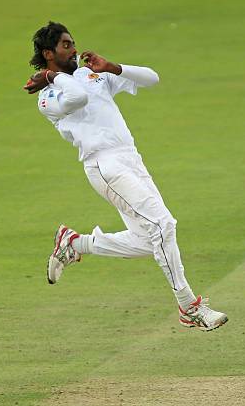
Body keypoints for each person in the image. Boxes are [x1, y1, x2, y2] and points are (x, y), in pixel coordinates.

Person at [23, 22, 227, 331]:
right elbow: (77, 98)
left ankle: (77, 244)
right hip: (104, 165)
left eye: (73, 42)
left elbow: (152, 78)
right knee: (163, 225)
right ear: (48, 53)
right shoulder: (47, 97)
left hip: (131, 159)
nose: (75, 49)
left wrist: (113, 67)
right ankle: (189, 306)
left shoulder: (90, 75)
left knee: (150, 241)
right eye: (66, 45)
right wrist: (52, 77)